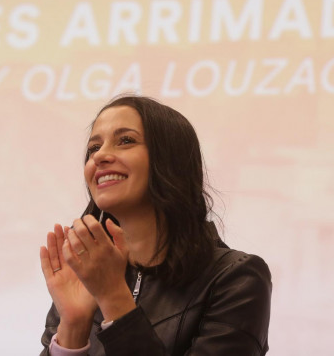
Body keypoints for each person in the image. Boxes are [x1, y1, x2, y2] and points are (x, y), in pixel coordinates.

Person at [39, 95, 271, 355]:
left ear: (170, 160)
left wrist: (114, 298)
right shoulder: (88, 275)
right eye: (94, 148)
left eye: (125, 140)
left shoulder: (236, 278)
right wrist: (73, 324)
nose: (100, 156)